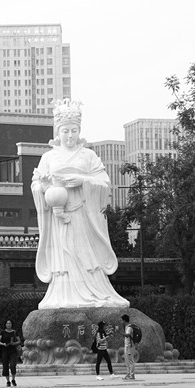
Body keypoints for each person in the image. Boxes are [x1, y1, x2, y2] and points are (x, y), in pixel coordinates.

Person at [30, 99, 129, 310]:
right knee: (64, 257)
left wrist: (83, 181)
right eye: (65, 130)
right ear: (59, 131)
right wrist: (45, 188)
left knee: (85, 254)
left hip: (83, 217)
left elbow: (104, 183)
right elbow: (36, 184)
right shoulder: (48, 157)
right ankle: (63, 293)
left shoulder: (89, 156)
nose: (70, 135)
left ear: (79, 130)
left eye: (74, 130)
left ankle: (95, 291)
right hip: (59, 219)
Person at [0, 319, 21, 387]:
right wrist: (3, 344)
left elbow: (19, 341)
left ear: (12, 324)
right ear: (5, 324)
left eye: (10, 323)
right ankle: (8, 381)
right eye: (7, 323)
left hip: (13, 350)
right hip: (4, 350)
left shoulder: (14, 332)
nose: (8, 325)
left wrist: (14, 343)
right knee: (5, 366)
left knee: (13, 365)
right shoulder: (2, 332)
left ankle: (13, 379)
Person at [121, 314, 137, 380]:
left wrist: (119, 332)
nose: (121, 322)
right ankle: (128, 374)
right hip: (127, 345)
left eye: (122, 320)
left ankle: (132, 375)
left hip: (130, 346)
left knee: (130, 360)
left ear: (124, 320)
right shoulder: (127, 327)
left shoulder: (129, 327)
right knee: (127, 360)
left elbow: (127, 335)